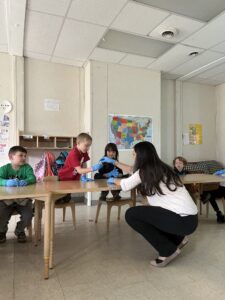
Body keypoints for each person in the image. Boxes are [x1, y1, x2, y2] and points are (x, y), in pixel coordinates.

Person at [101, 142, 198, 267]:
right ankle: (178, 239)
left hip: (182, 221)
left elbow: (125, 185)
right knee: (150, 214)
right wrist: (114, 162)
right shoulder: (161, 167)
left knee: (132, 215)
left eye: (134, 154)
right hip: (190, 220)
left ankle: (168, 250)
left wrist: (113, 180)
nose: (133, 156)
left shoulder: (145, 171)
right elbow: (132, 170)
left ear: (141, 156)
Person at [0, 146, 36, 243]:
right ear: (11, 157)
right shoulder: (4, 169)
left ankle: (19, 231)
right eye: (21, 155)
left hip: (23, 200)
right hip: (7, 200)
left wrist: (27, 181)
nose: (24, 158)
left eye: (25, 156)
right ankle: (2, 231)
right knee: (1, 215)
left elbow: (32, 178)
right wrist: (6, 182)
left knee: (28, 215)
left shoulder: (27, 168)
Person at [173, 156, 225, 223]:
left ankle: (203, 198)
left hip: (188, 191)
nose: (178, 164)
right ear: (174, 165)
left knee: (196, 196)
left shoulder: (186, 172)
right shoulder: (172, 173)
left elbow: (191, 183)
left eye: (180, 163)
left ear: (184, 164)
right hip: (177, 192)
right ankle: (204, 196)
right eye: (176, 163)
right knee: (202, 194)